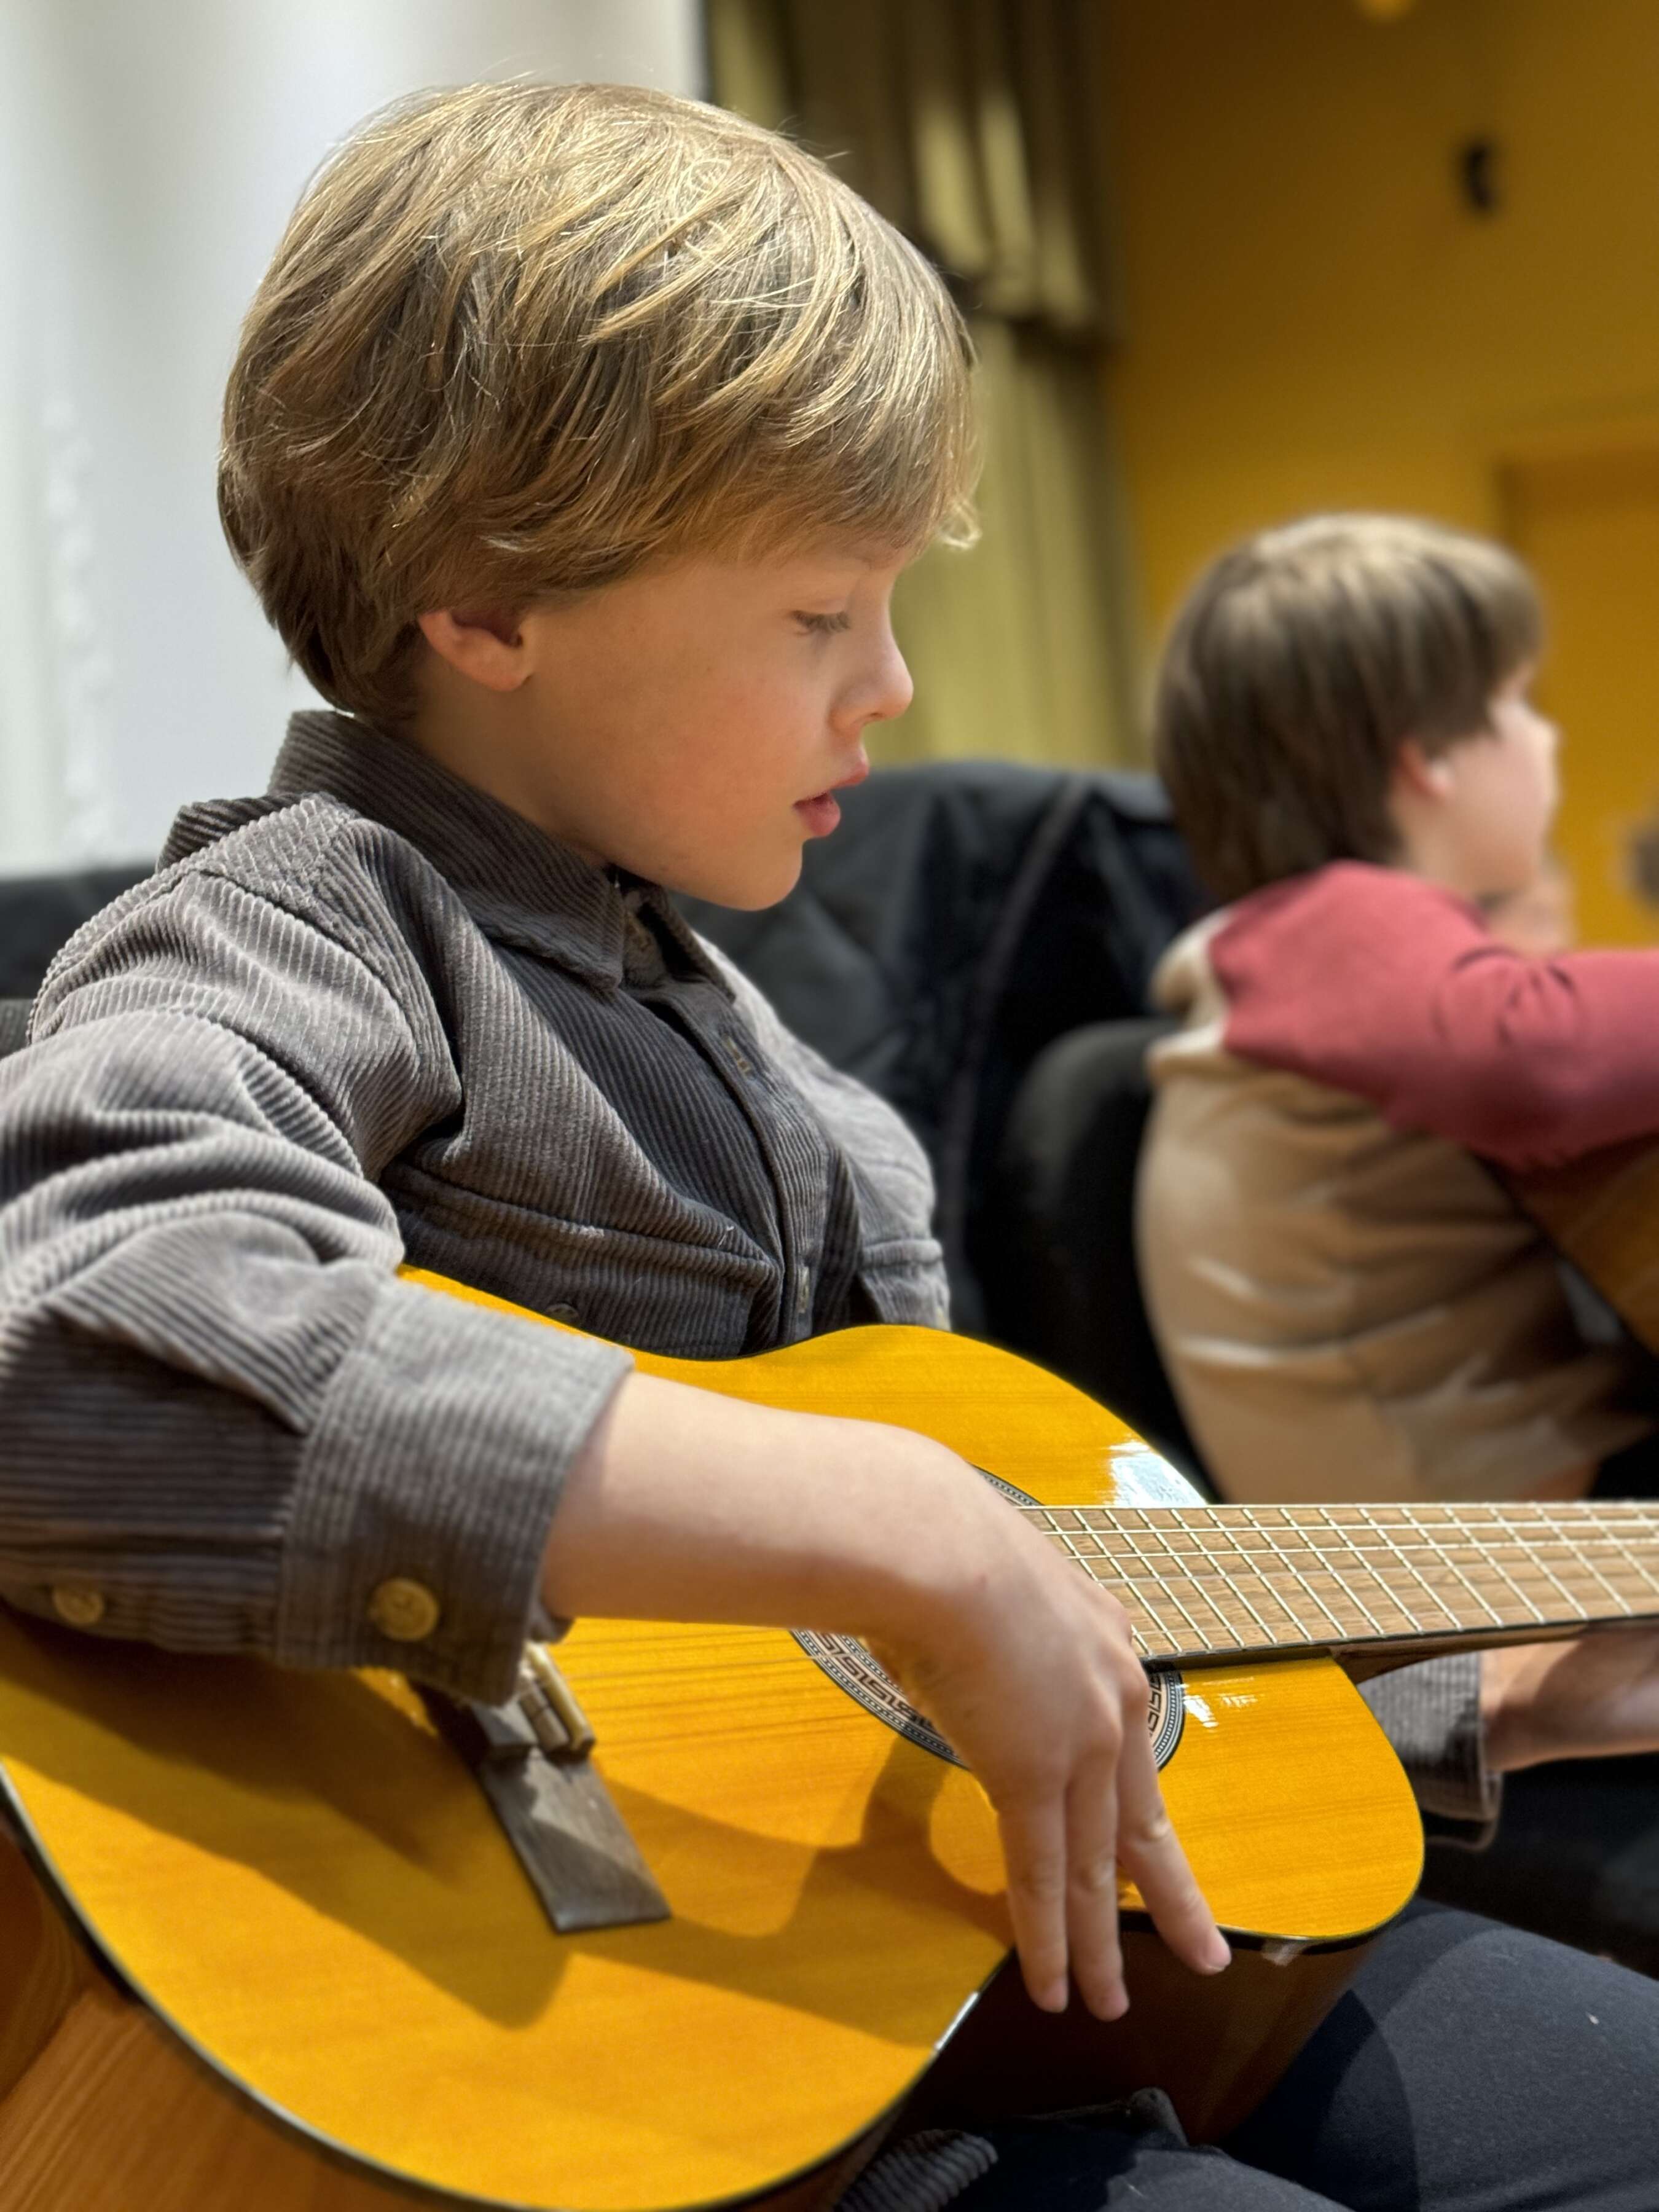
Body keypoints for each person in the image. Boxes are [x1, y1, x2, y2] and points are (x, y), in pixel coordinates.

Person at [1, 90, 1658, 2212]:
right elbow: (81, 1335)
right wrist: (889, 1525)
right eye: (818, 614)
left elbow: (919, 1708)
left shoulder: (821, 1112)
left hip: (937, 1994)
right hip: (594, 2083)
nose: (891, 684)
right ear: (487, 595)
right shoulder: (311, 928)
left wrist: (1494, 1697)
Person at [1139, 512, 1659, 1511]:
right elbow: (1538, 1060)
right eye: (1517, 703)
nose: (1545, 736)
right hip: (1486, 1533)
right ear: (1429, 757)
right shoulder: (1329, 920)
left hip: (1494, 1494)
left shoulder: (1297, 947)